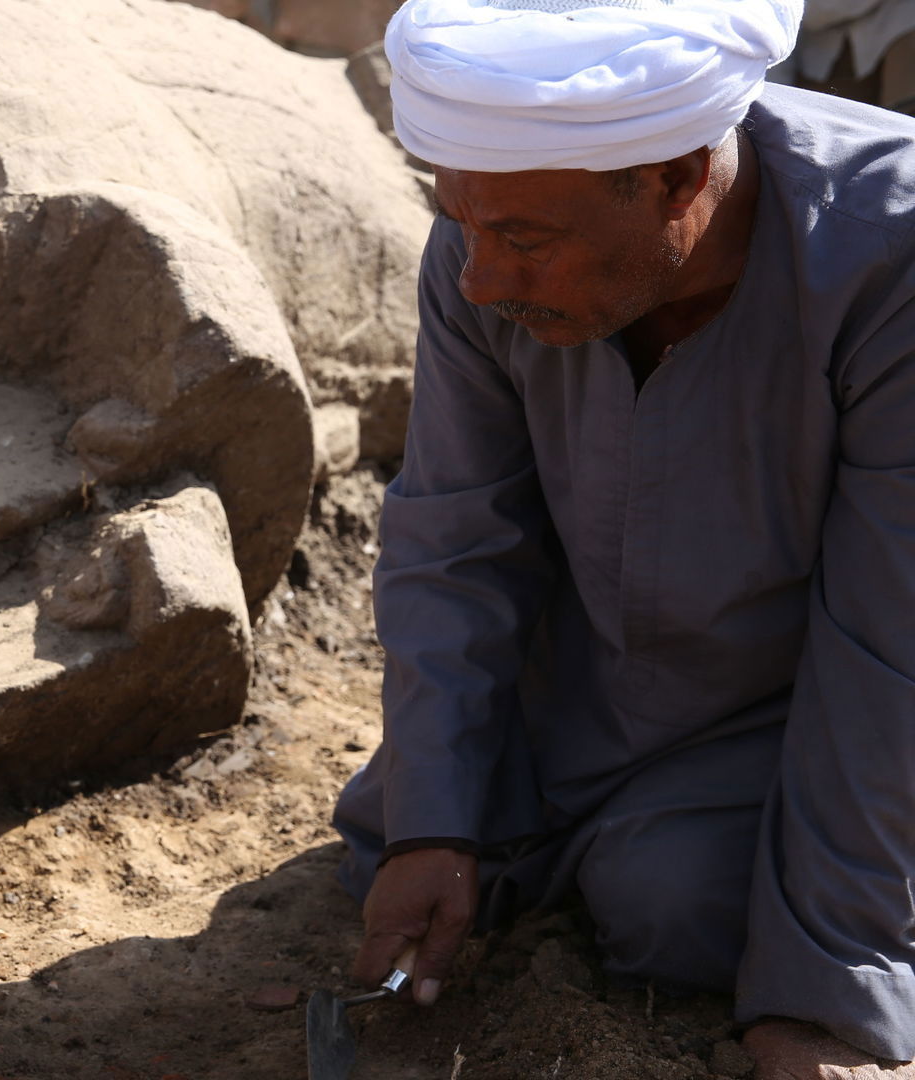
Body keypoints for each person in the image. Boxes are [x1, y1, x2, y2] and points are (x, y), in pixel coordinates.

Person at [330, 1, 915, 1075]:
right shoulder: (489, 225)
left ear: (683, 179)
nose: (480, 282)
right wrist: (432, 823)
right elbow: (455, 538)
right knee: (400, 835)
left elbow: (889, 647)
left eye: (523, 242)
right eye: (461, 224)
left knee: (672, 903)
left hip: (807, 715)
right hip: (591, 692)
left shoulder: (889, 258)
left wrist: (829, 995)